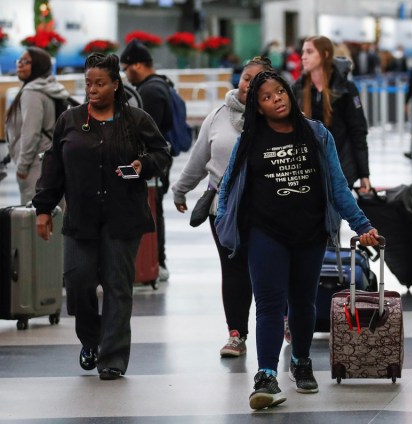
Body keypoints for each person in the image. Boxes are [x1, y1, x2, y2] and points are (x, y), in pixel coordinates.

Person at [214, 71, 379, 410]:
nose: (277, 99)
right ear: (257, 108)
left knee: (303, 302)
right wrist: (226, 225)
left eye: (280, 92)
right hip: (265, 233)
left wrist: (362, 225)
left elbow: (337, 186)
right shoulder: (251, 139)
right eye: (267, 97)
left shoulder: (317, 134)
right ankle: (266, 375)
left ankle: (302, 361)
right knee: (270, 304)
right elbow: (229, 183)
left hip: (310, 232)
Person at [31, 53, 171, 380]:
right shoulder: (70, 120)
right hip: (81, 218)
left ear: (115, 84)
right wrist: (43, 208)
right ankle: (90, 341)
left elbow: (161, 153)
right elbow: (54, 167)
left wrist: (142, 165)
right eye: (88, 83)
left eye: (100, 83)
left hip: (123, 219)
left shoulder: (135, 119)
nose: (92, 89)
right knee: (78, 283)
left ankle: (113, 358)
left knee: (117, 288)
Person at [171, 57, 273, 358]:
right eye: (245, 78)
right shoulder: (218, 116)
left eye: (257, 80)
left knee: (271, 269)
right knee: (234, 270)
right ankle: (236, 334)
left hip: (269, 208)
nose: (248, 84)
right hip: (225, 209)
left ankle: (283, 321)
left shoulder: (279, 116)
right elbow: (200, 158)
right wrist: (181, 190)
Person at [120, 40, 173, 282]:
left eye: (127, 67)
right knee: (155, 209)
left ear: (139, 65)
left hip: (153, 162)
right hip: (156, 161)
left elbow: (152, 133)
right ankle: (158, 260)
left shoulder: (150, 92)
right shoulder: (160, 84)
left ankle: (157, 261)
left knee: (154, 210)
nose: (126, 74)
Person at [293, 35, 372, 193]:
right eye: (303, 52)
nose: (303, 57)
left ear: (325, 54)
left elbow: (358, 130)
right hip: (310, 170)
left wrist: (364, 173)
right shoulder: (298, 88)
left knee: (333, 217)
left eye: (309, 52)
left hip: (341, 168)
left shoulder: (346, 89)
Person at [5, 47, 71, 204]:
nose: (20, 64)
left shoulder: (32, 92)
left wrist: (22, 167)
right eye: (19, 60)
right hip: (51, 161)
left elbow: (31, 132)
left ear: (39, 65)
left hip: (35, 165)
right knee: (54, 213)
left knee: (35, 217)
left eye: (26, 61)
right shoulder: (51, 88)